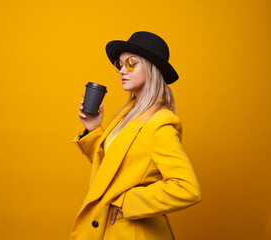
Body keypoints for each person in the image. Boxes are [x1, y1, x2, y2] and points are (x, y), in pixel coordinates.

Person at [71, 31, 201, 240]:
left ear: (151, 69)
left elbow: (186, 188)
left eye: (131, 63)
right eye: (119, 64)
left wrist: (127, 202)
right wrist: (94, 130)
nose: (122, 70)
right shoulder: (128, 113)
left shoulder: (160, 122)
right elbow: (112, 170)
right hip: (110, 231)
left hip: (134, 232)